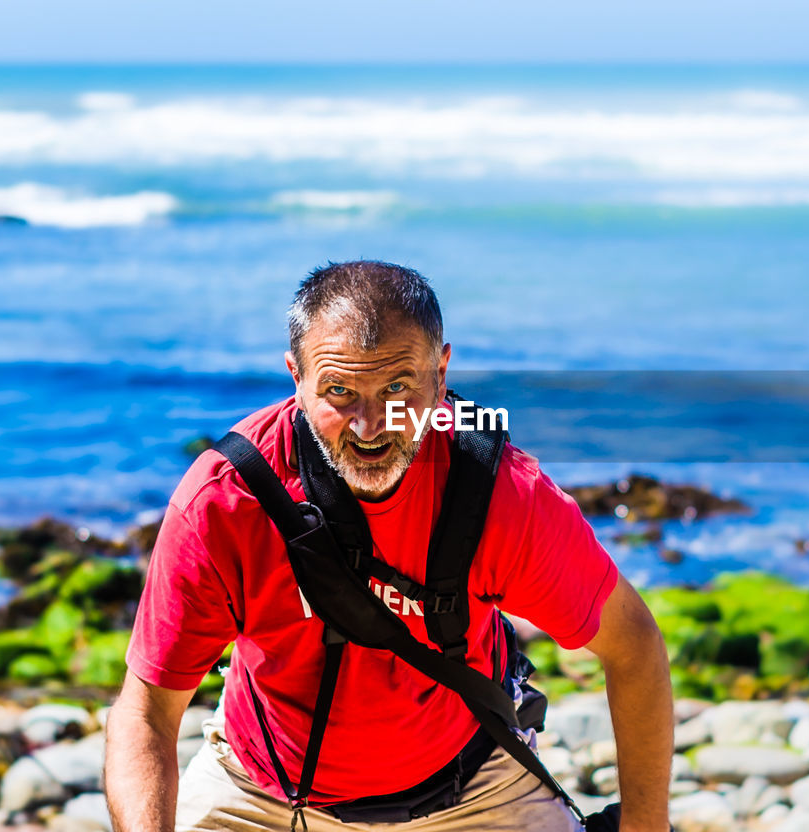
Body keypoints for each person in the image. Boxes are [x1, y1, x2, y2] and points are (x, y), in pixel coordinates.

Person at [103, 260, 673, 832]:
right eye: (340, 391)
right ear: (295, 377)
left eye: (398, 387)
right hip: (259, 786)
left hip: (473, 785)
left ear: (442, 373)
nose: (370, 425)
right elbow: (146, 712)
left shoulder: (502, 495)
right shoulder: (225, 503)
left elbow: (633, 646)